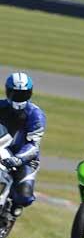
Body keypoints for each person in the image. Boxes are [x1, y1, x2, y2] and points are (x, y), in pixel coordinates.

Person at [0, 72, 46, 218]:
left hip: (25, 158)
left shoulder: (36, 115)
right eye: (15, 93)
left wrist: (19, 159)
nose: (18, 97)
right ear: (8, 92)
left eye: (23, 94)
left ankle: (11, 211)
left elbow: (34, 144)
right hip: (2, 150)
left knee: (24, 197)